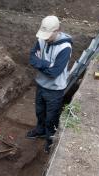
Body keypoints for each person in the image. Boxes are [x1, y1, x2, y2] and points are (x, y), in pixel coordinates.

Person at [26, 15, 72, 153]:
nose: (45, 38)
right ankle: (40, 131)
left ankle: (50, 140)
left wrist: (41, 64)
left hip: (55, 89)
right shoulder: (41, 39)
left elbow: (54, 73)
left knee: (51, 117)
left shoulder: (65, 47)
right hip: (41, 85)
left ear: (57, 30)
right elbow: (32, 58)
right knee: (40, 111)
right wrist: (47, 64)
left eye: (48, 35)